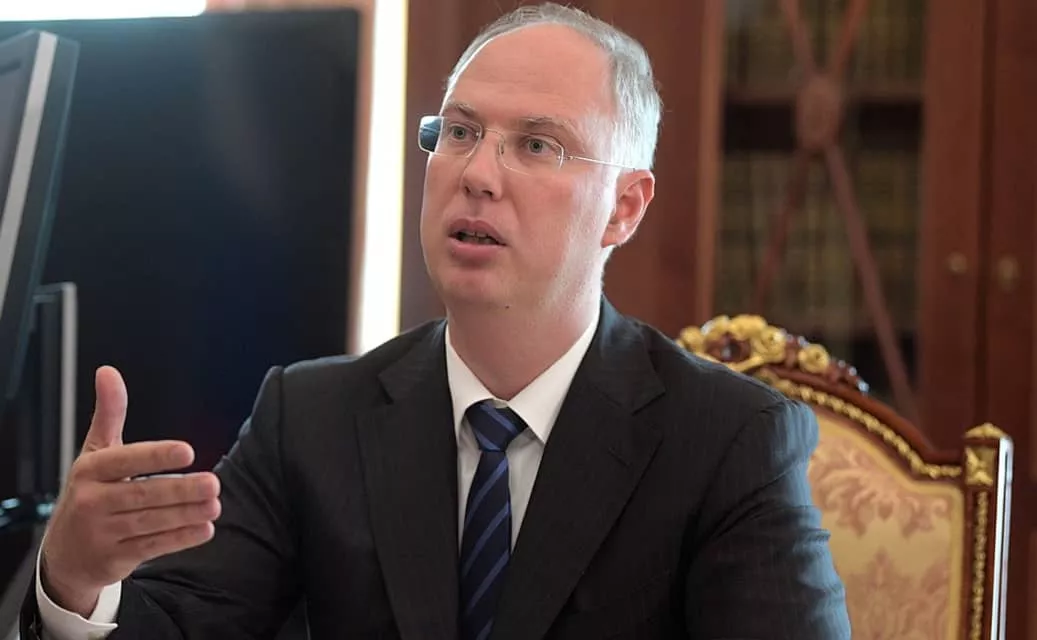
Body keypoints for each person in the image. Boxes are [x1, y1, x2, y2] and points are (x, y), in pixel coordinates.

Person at [21, 3, 851, 639]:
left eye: (536, 145)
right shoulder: (310, 419)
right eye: (459, 131)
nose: (477, 174)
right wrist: (75, 583)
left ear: (623, 208)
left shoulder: (726, 442)